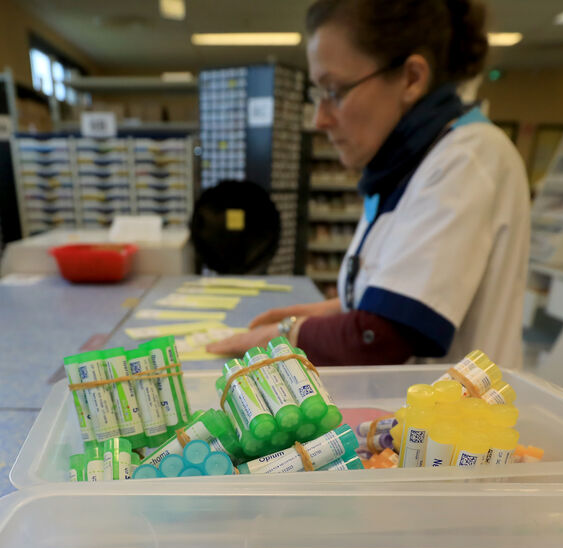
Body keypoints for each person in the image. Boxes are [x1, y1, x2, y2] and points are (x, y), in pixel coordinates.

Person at [207, 0, 530, 368]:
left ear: (411, 78)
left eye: (334, 91)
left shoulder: (468, 158)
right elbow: (393, 294)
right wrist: (330, 312)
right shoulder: (406, 165)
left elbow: (380, 337)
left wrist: (283, 335)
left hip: (463, 403)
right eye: (318, 94)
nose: (319, 119)